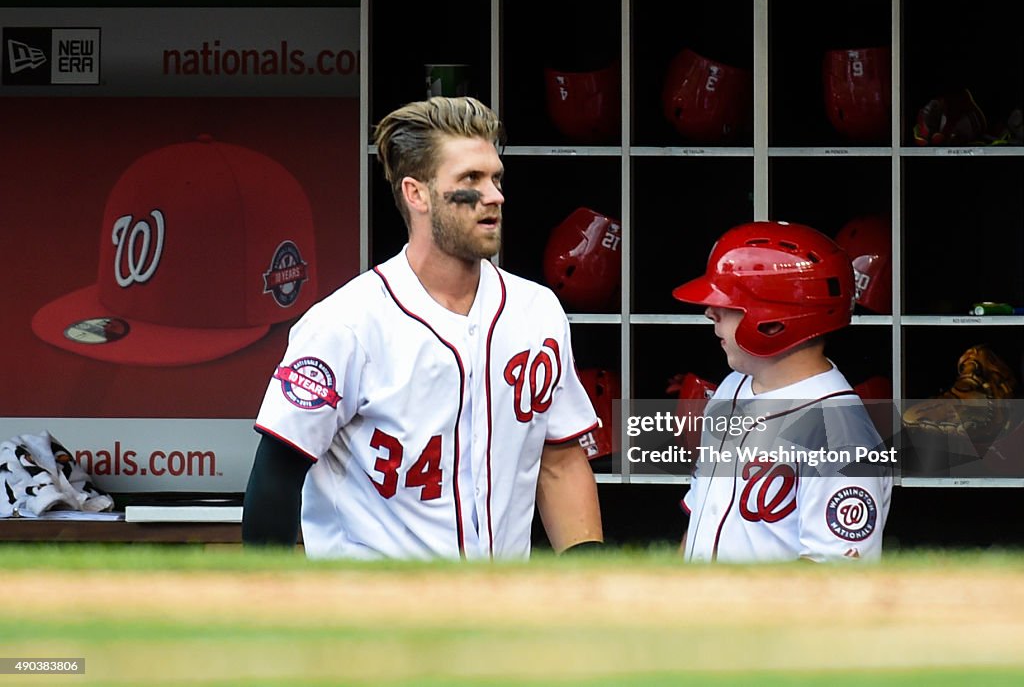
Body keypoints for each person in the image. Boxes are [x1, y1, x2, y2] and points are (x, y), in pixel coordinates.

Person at [242, 96, 603, 559]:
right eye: (471, 179)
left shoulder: (537, 312)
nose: (494, 195)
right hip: (373, 612)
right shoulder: (347, 323)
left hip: (500, 612)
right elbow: (278, 471)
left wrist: (589, 585)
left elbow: (558, 459)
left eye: (496, 177)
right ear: (417, 194)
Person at [672, 220, 893, 563]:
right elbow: (702, 517)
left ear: (774, 321)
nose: (710, 313)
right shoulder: (732, 387)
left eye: (728, 305)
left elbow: (832, 573)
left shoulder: (842, 435)